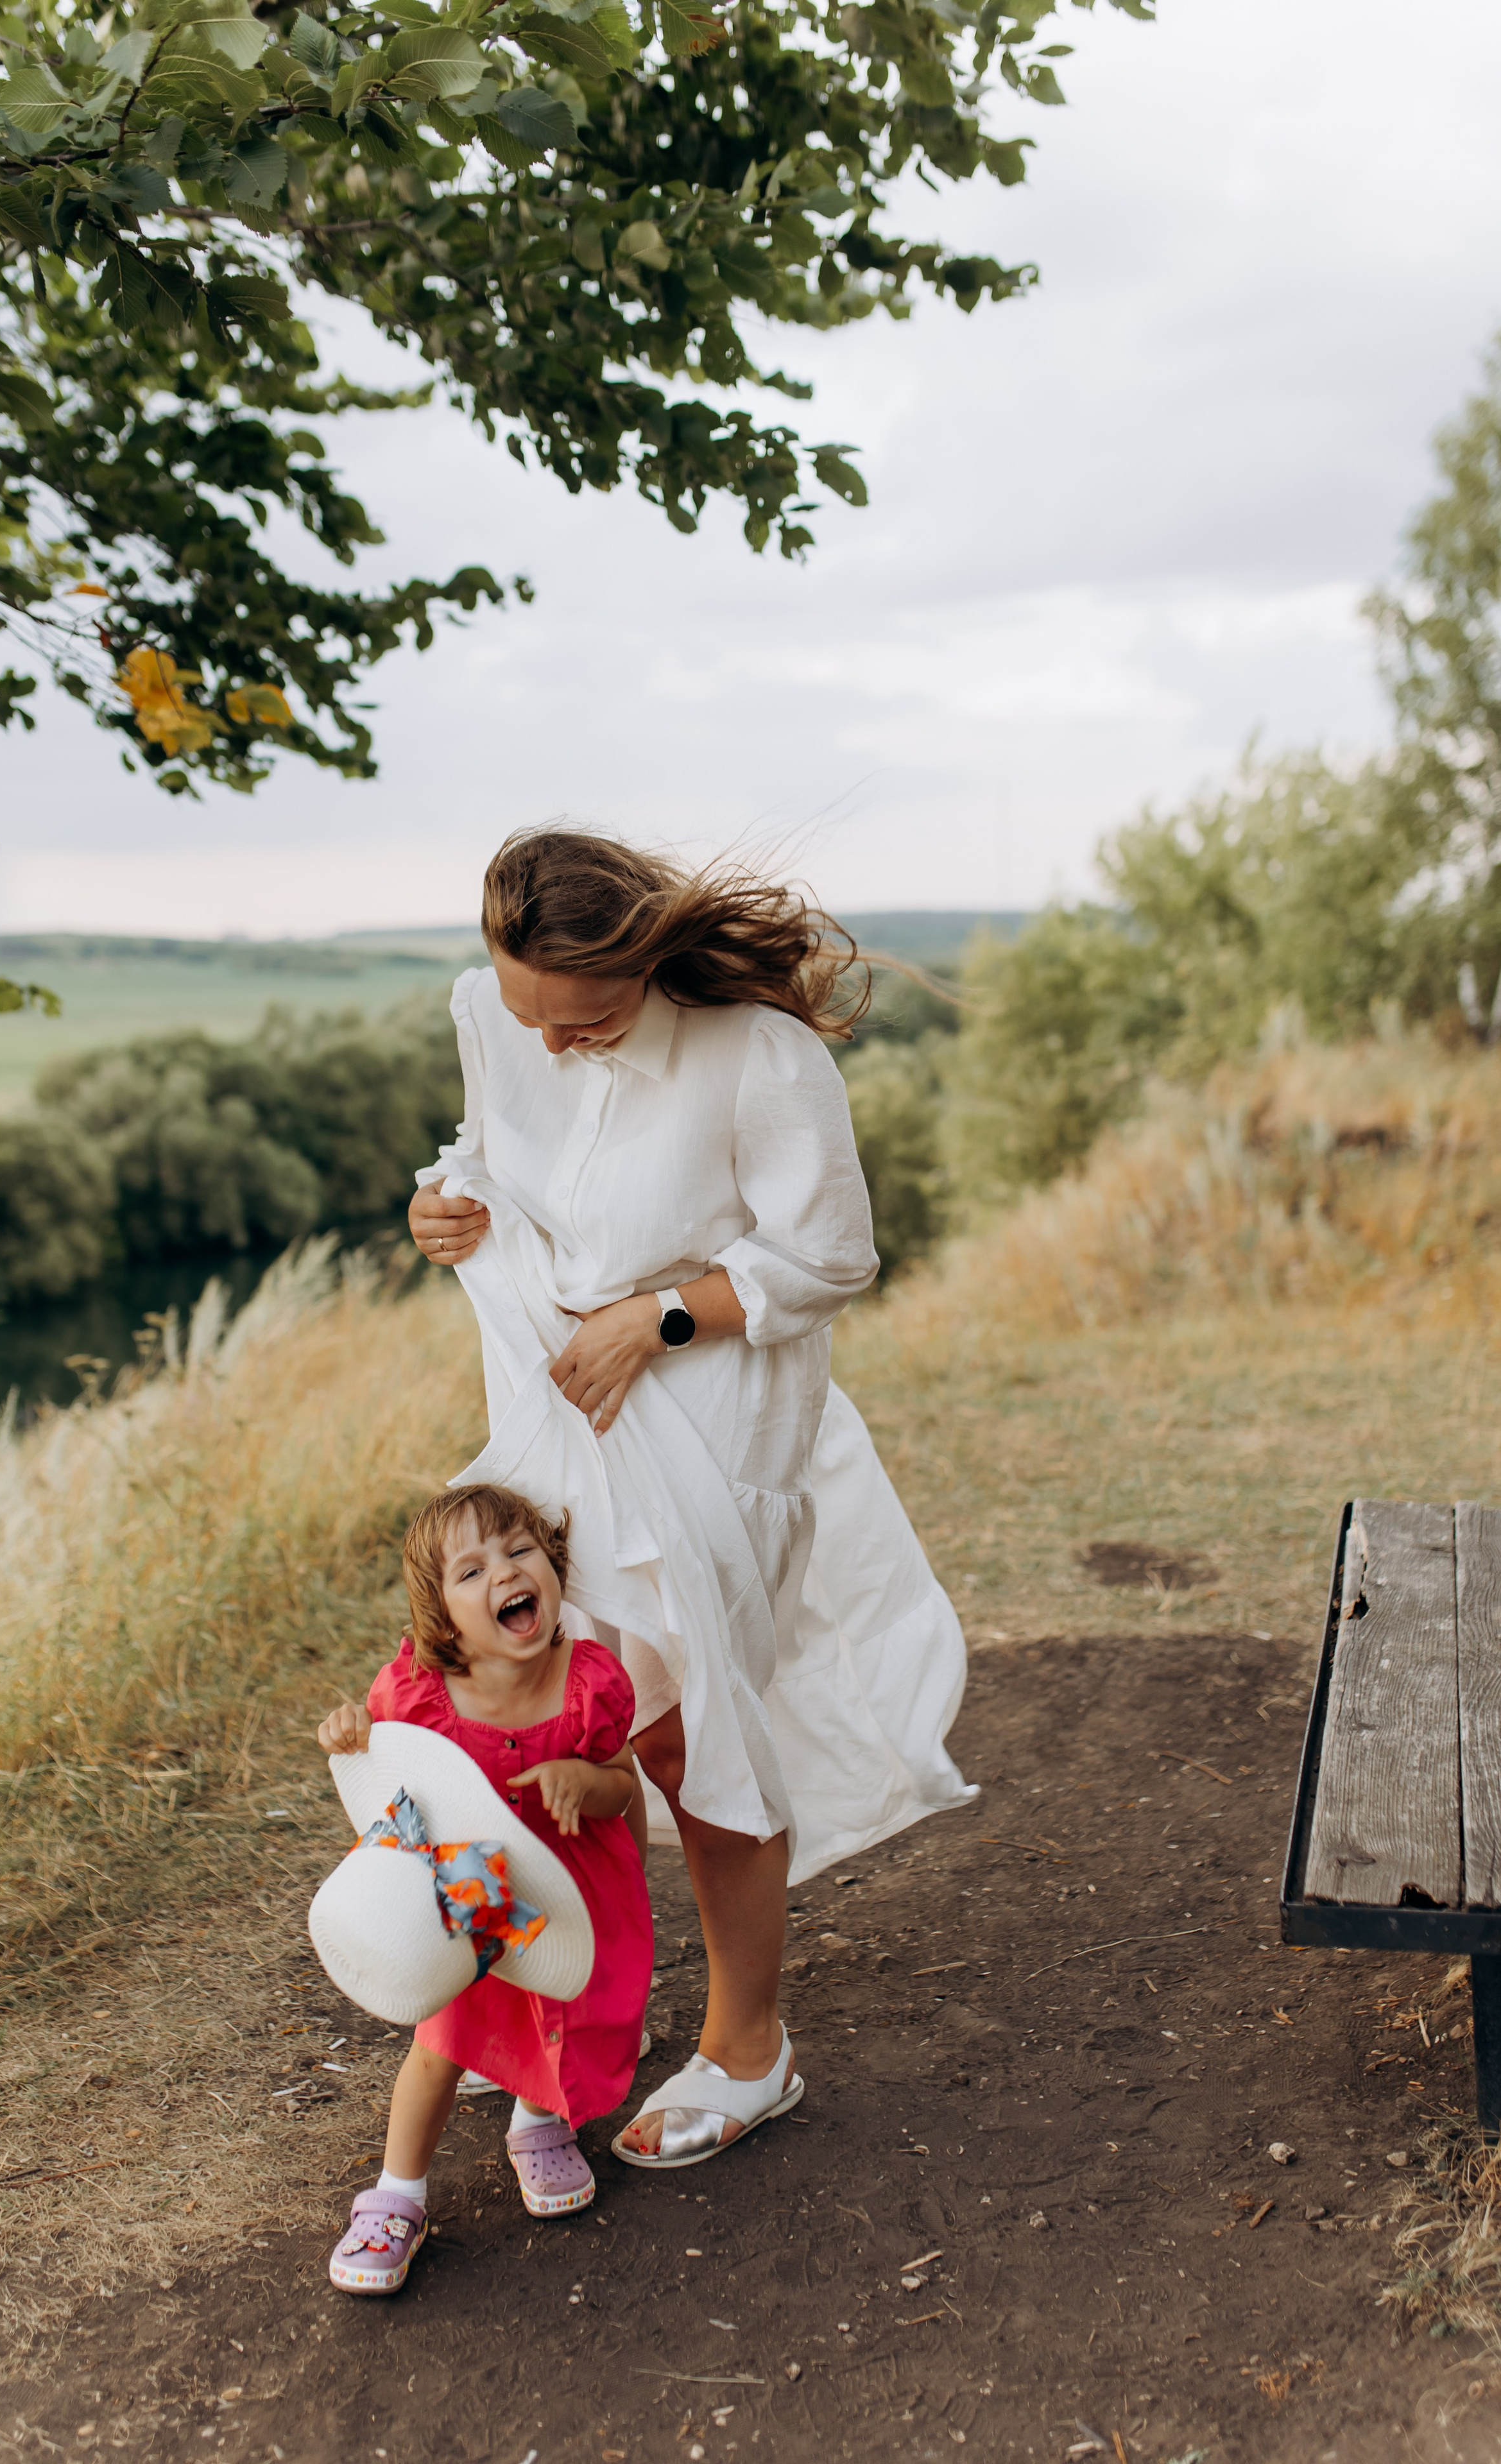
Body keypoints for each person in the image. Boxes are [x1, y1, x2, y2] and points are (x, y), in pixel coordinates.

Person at [407, 828, 977, 2169]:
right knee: (542, 1700)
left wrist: (654, 1318)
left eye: (586, 1018)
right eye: (527, 1012)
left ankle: (746, 2048)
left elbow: (834, 1257)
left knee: (682, 1724)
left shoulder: (760, 1058)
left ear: (648, 965)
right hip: (555, 1416)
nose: (550, 1042)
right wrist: (449, 1204)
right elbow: (487, 1150)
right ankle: (536, 2001)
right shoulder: (492, 1014)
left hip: (714, 1427)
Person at [317, 1480, 654, 2293]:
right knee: (442, 2040)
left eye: (517, 1551)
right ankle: (397, 2194)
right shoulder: (420, 1694)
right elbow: (390, 1776)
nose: (502, 1572)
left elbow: (621, 1784)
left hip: (569, 1881)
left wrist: (585, 1778)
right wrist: (348, 1737)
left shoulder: (590, 1681)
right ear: (442, 1616)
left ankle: (536, 2120)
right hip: (470, 1886)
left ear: (551, 1567)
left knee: (561, 2007)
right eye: (469, 1571)